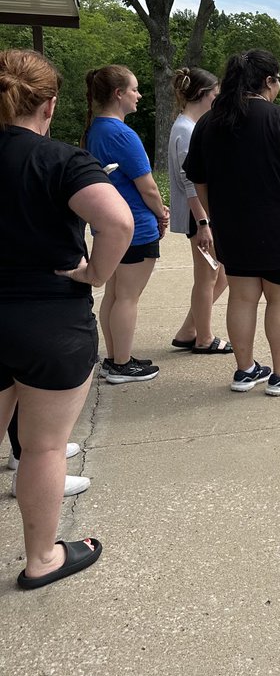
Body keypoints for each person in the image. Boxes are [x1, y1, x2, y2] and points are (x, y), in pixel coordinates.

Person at [0, 48, 133, 588]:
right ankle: (42, 559)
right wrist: (95, 275)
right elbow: (117, 221)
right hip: (50, 320)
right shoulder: (62, 160)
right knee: (45, 446)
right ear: (50, 105)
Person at [184, 49, 280, 396]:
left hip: (232, 226)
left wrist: (215, 215)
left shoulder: (209, 123)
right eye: (277, 80)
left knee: (242, 297)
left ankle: (245, 369)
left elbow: (198, 179)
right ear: (268, 81)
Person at [84, 65, 169, 383]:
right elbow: (147, 187)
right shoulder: (122, 134)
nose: (139, 95)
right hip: (135, 227)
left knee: (115, 293)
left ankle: (114, 358)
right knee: (128, 297)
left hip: (109, 226)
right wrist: (161, 213)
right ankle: (122, 364)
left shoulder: (96, 130)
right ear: (119, 94)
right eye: (134, 89)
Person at [167, 66, 231, 354]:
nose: (217, 100)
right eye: (215, 94)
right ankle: (203, 338)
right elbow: (189, 181)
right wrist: (204, 222)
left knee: (220, 273)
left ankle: (188, 330)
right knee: (208, 276)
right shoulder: (186, 130)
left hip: (202, 215)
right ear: (204, 95)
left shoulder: (188, 127)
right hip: (199, 217)